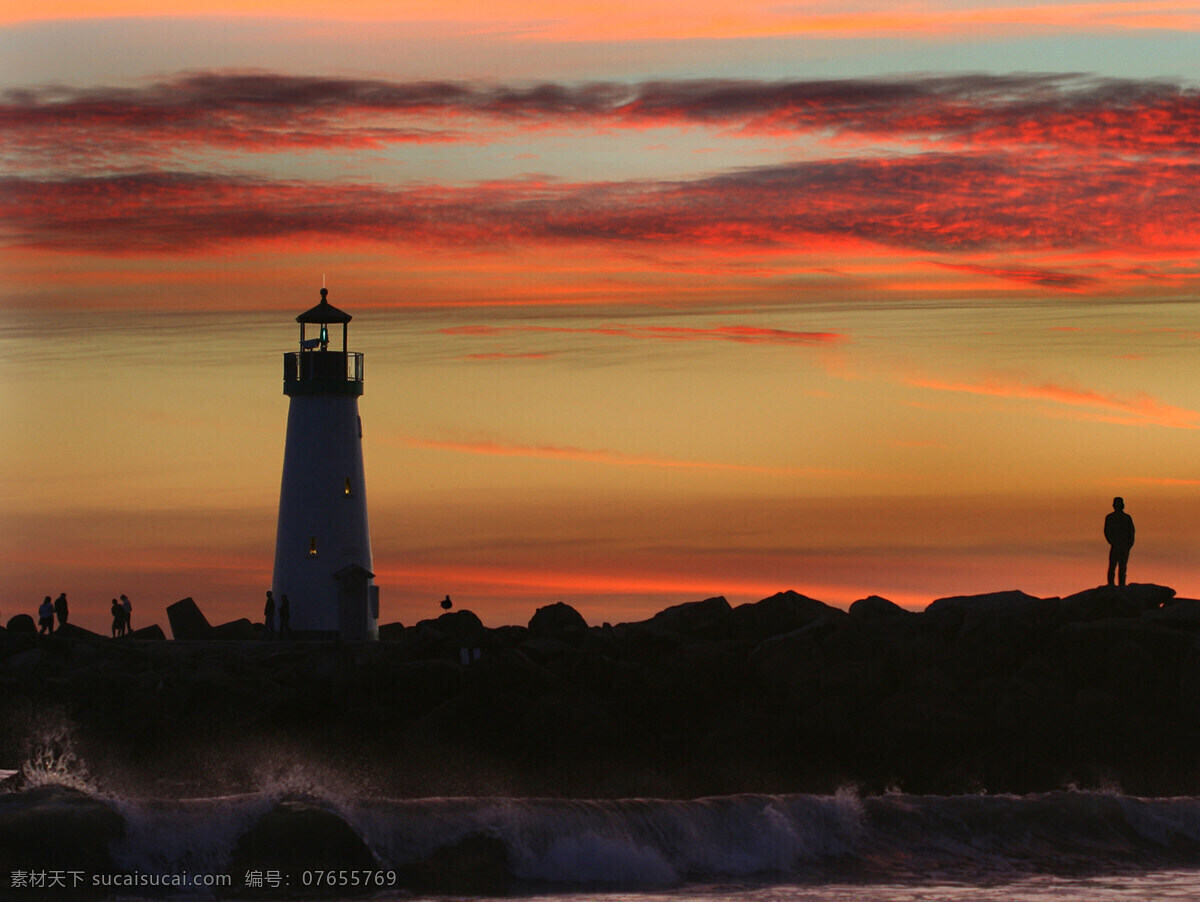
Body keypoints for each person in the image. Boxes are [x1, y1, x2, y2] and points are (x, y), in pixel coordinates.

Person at [1104, 496, 1135, 587]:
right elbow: (1107, 531)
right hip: (1116, 545)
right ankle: (1111, 585)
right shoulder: (1110, 517)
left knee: (1122, 568)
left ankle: (1121, 585)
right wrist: (1113, 542)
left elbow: (1131, 531)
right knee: (1113, 566)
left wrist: (1129, 544)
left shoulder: (1127, 518)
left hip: (1124, 546)